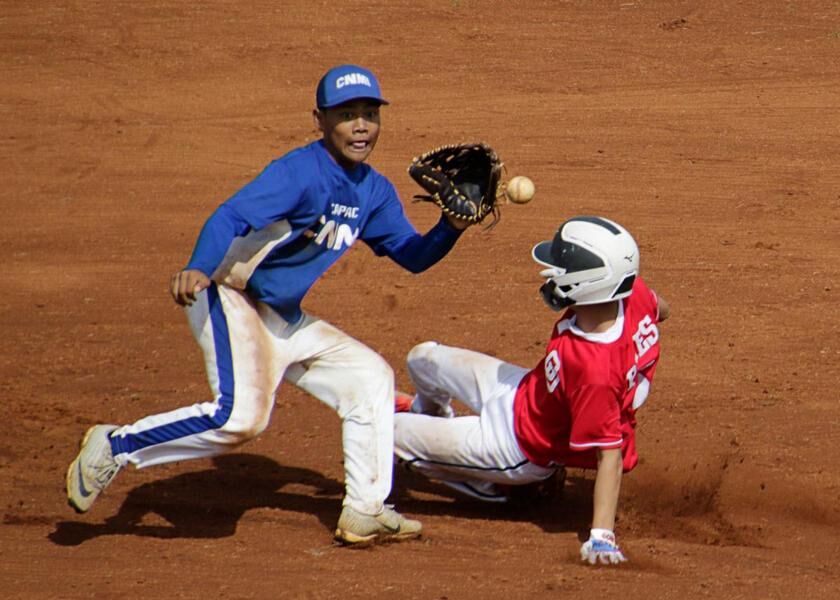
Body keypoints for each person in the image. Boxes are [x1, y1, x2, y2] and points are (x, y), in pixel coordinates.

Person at [66, 64, 474, 546]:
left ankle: (365, 509)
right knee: (241, 419)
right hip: (228, 296)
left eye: (369, 114)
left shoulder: (374, 191)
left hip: (280, 316)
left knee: (370, 377)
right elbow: (231, 215)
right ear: (320, 120)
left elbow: (413, 257)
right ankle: (116, 445)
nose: (361, 125)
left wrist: (451, 227)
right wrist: (200, 265)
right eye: (347, 114)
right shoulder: (299, 172)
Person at [393, 215, 670, 564]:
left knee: (384, 431)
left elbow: (609, 457)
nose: (551, 272)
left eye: (561, 267)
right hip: (522, 390)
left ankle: (500, 488)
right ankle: (431, 417)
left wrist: (601, 536)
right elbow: (661, 310)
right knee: (423, 357)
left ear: (587, 282)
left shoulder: (594, 372)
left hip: (518, 446)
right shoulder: (633, 293)